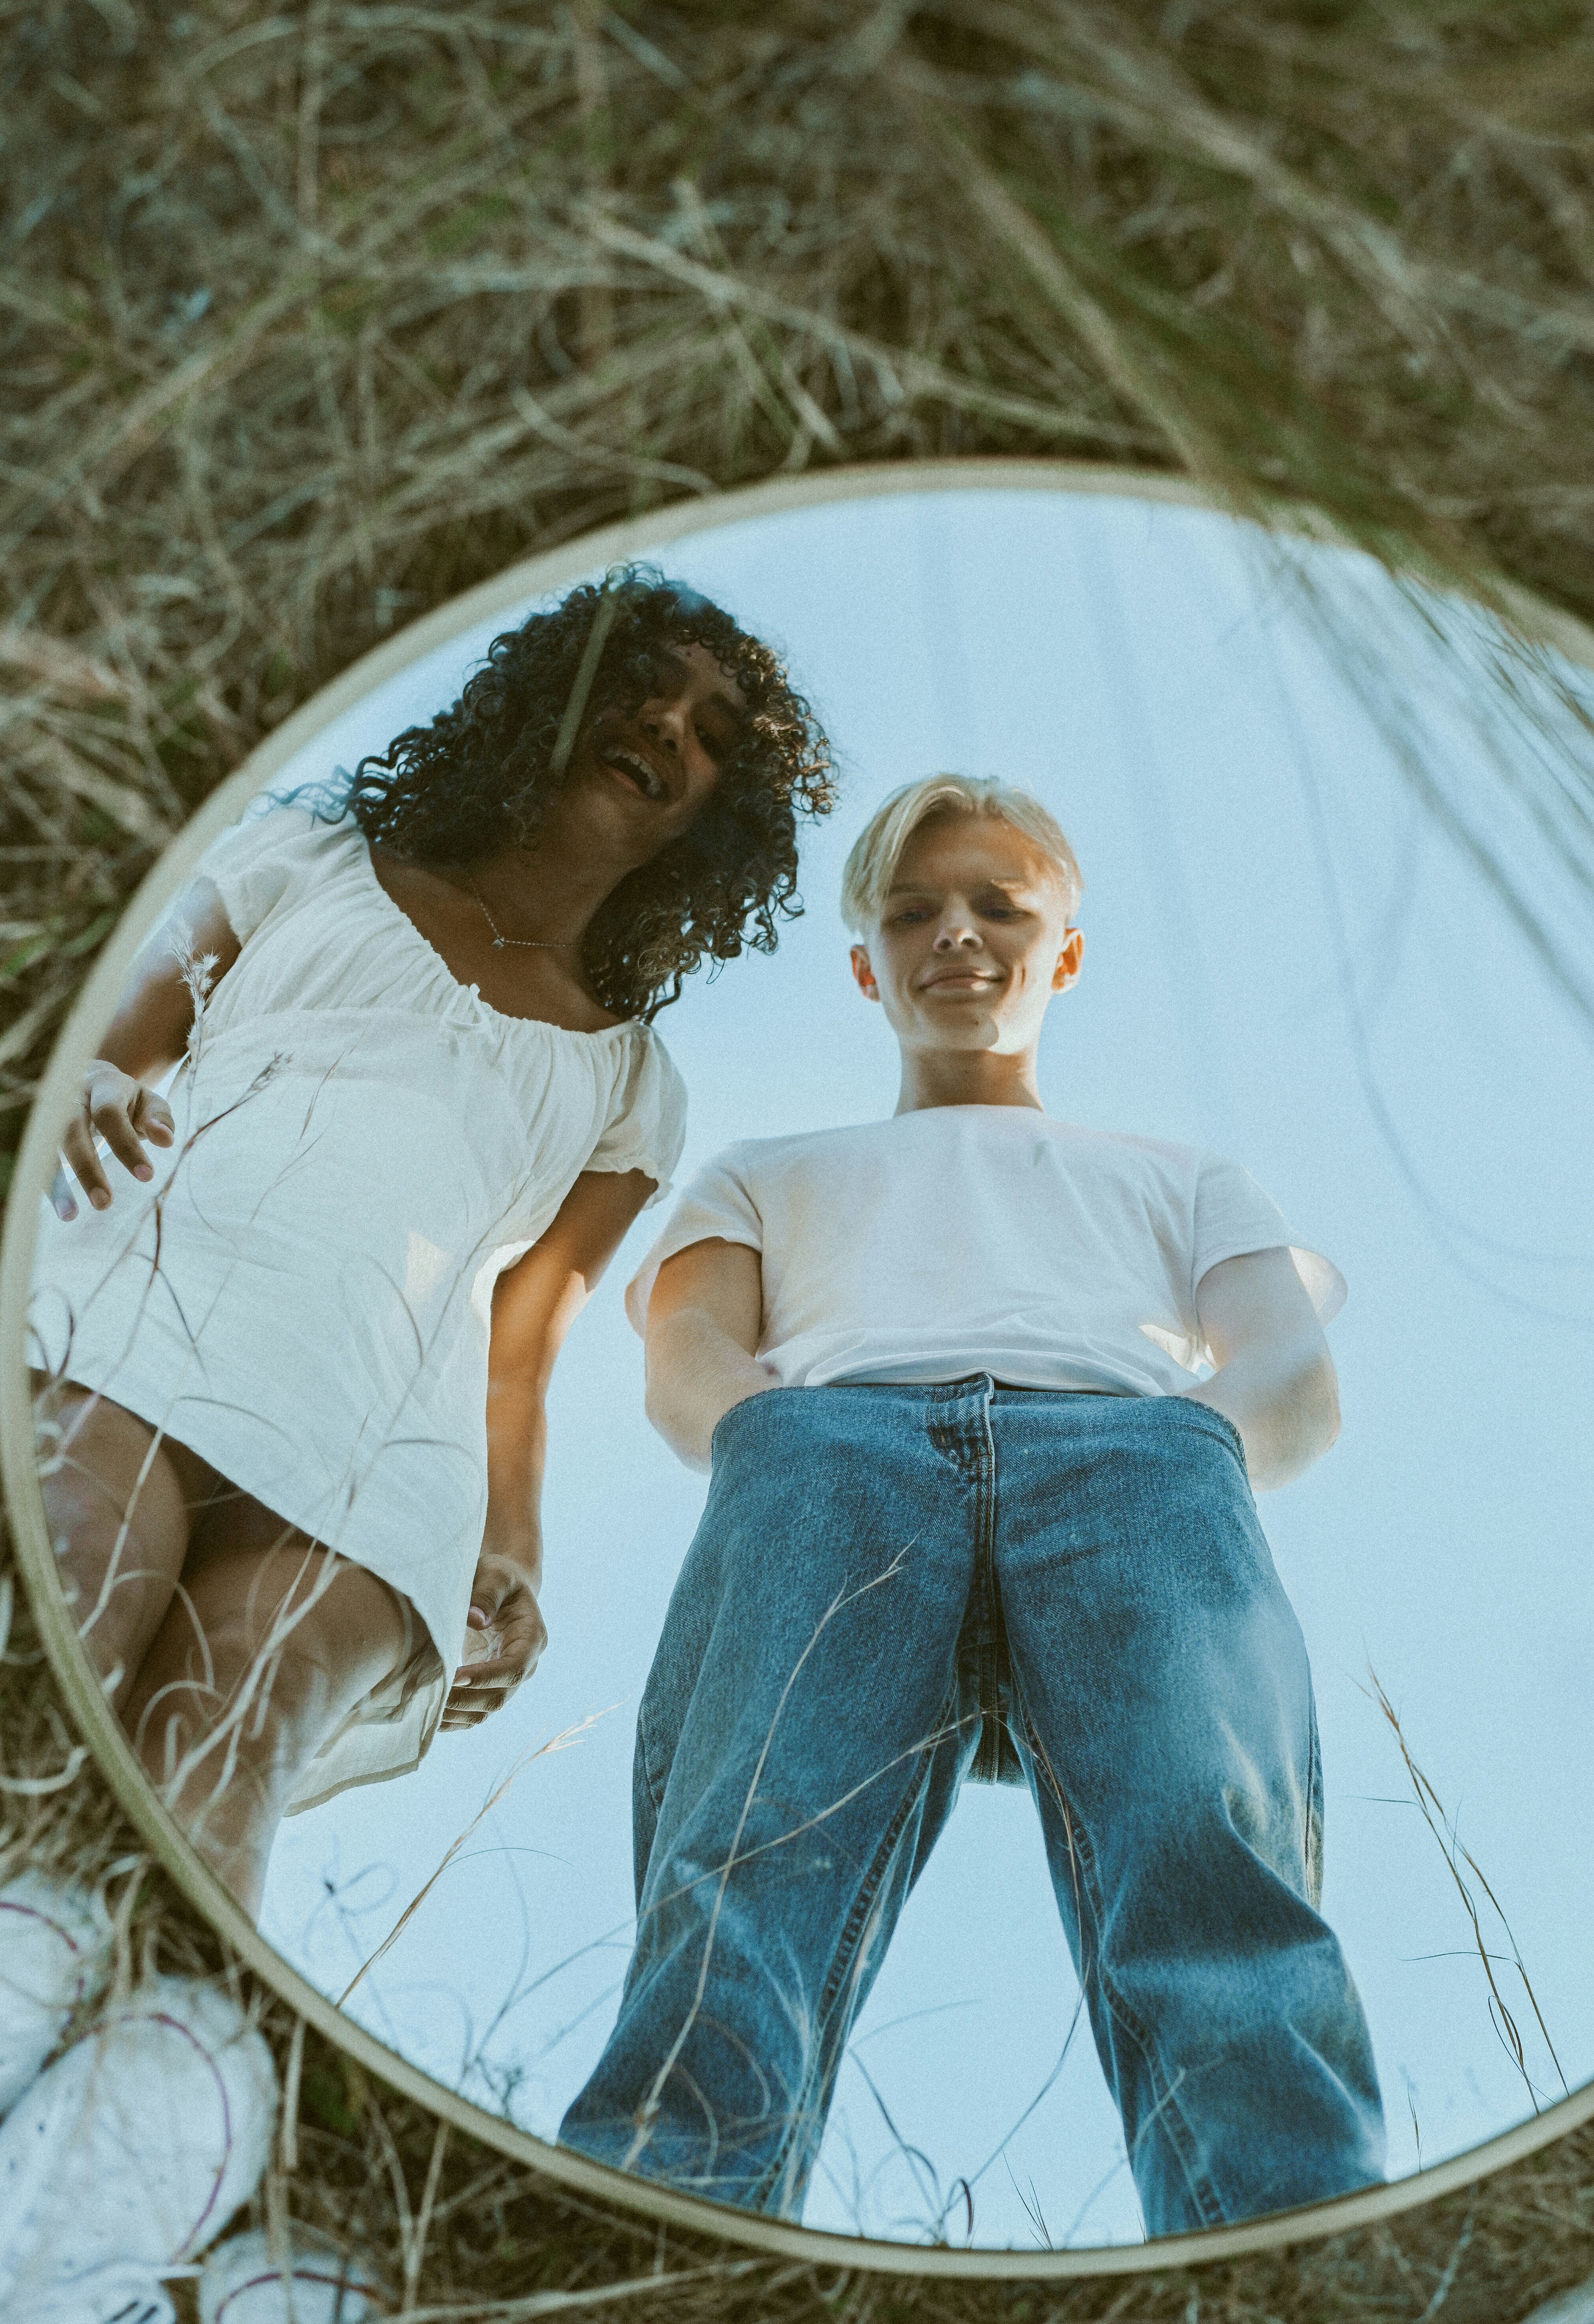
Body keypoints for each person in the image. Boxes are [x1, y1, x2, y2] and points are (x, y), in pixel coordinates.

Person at [559, 771, 1386, 2236]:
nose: (957, 933)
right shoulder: (762, 1173)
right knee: (747, 1866)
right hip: (837, 1453)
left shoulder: (1181, 1176)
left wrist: (1180, 1447)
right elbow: (686, 1357)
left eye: (1001, 906)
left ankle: (1290, 2257)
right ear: (863, 965)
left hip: (1126, 1456)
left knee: (1210, 1867)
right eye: (912, 911)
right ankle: (655, 2250)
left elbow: (1291, 1374)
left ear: (1065, 952)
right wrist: (777, 1438)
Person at [29, 569, 834, 1922]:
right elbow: (108, 1054)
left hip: (382, 1451)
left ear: (716, 818)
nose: (667, 726)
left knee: (226, 1755)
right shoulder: (310, 856)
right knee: (63, 1608)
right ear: (555, 698)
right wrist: (86, 1086)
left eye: (711, 735)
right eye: (646, 686)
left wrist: (514, 1549)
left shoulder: (632, 1084)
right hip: (143, 1310)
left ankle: (130, 2032)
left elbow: (523, 1347)